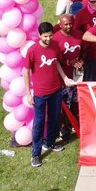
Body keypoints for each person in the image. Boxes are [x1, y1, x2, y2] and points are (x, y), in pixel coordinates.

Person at [24, 22, 75, 168]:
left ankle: (51, 143)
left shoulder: (54, 46)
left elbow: (57, 62)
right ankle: (36, 154)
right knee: (39, 123)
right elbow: (26, 71)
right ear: (39, 35)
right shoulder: (33, 51)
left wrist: (64, 78)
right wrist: (29, 93)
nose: (48, 39)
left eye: (50, 36)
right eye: (45, 36)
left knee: (55, 118)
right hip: (40, 94)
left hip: (56, 90)